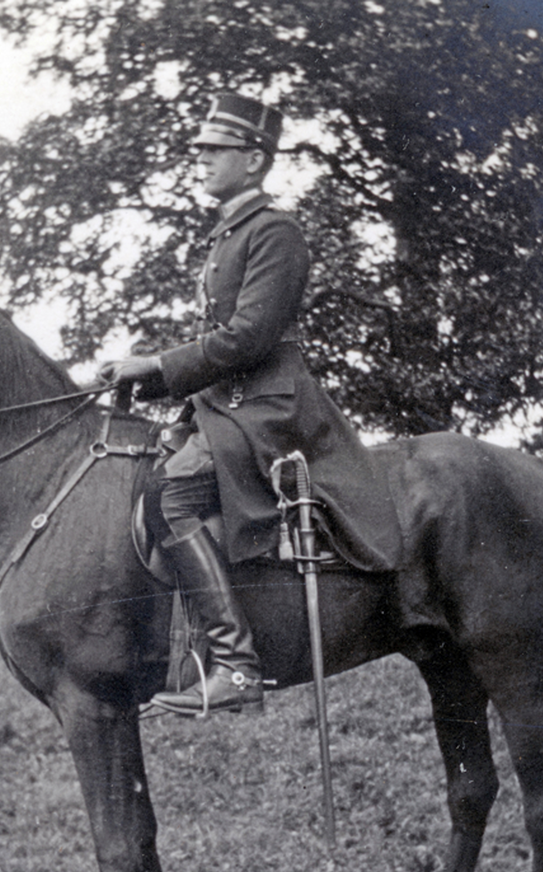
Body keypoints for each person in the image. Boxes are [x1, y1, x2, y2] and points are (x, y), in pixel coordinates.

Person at [99, 93, 402, 716]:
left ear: (255, 160)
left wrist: (158, 364)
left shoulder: (274, 231)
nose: (201, 159)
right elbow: (222, 346)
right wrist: (149, 380)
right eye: (202, 149)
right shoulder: (230, 232)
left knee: (172, 495)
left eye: (216, 150)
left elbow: (250, 338)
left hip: (269, 404)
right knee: (145, 473)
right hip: (229, 401)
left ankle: (236, 665)